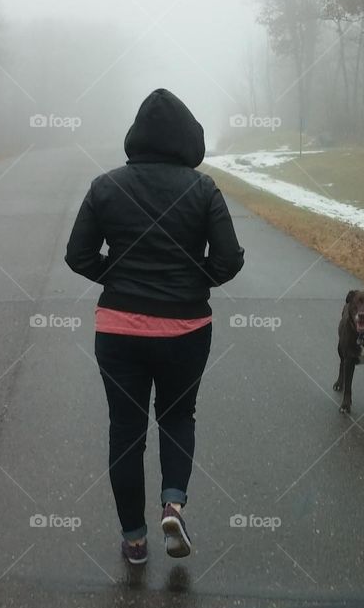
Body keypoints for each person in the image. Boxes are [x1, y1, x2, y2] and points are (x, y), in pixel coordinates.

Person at [65, 88, 244, 565]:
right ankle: (173, 503)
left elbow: (77, 255)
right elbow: (228, 260)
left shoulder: (106, 186)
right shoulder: (203, 189)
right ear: (189, 139)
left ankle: (134, 539)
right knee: (177, 417)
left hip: (118, 329)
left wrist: (118, 278)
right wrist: (191, 282)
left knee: (125, 430)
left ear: (136, 137)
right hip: (185, 329)